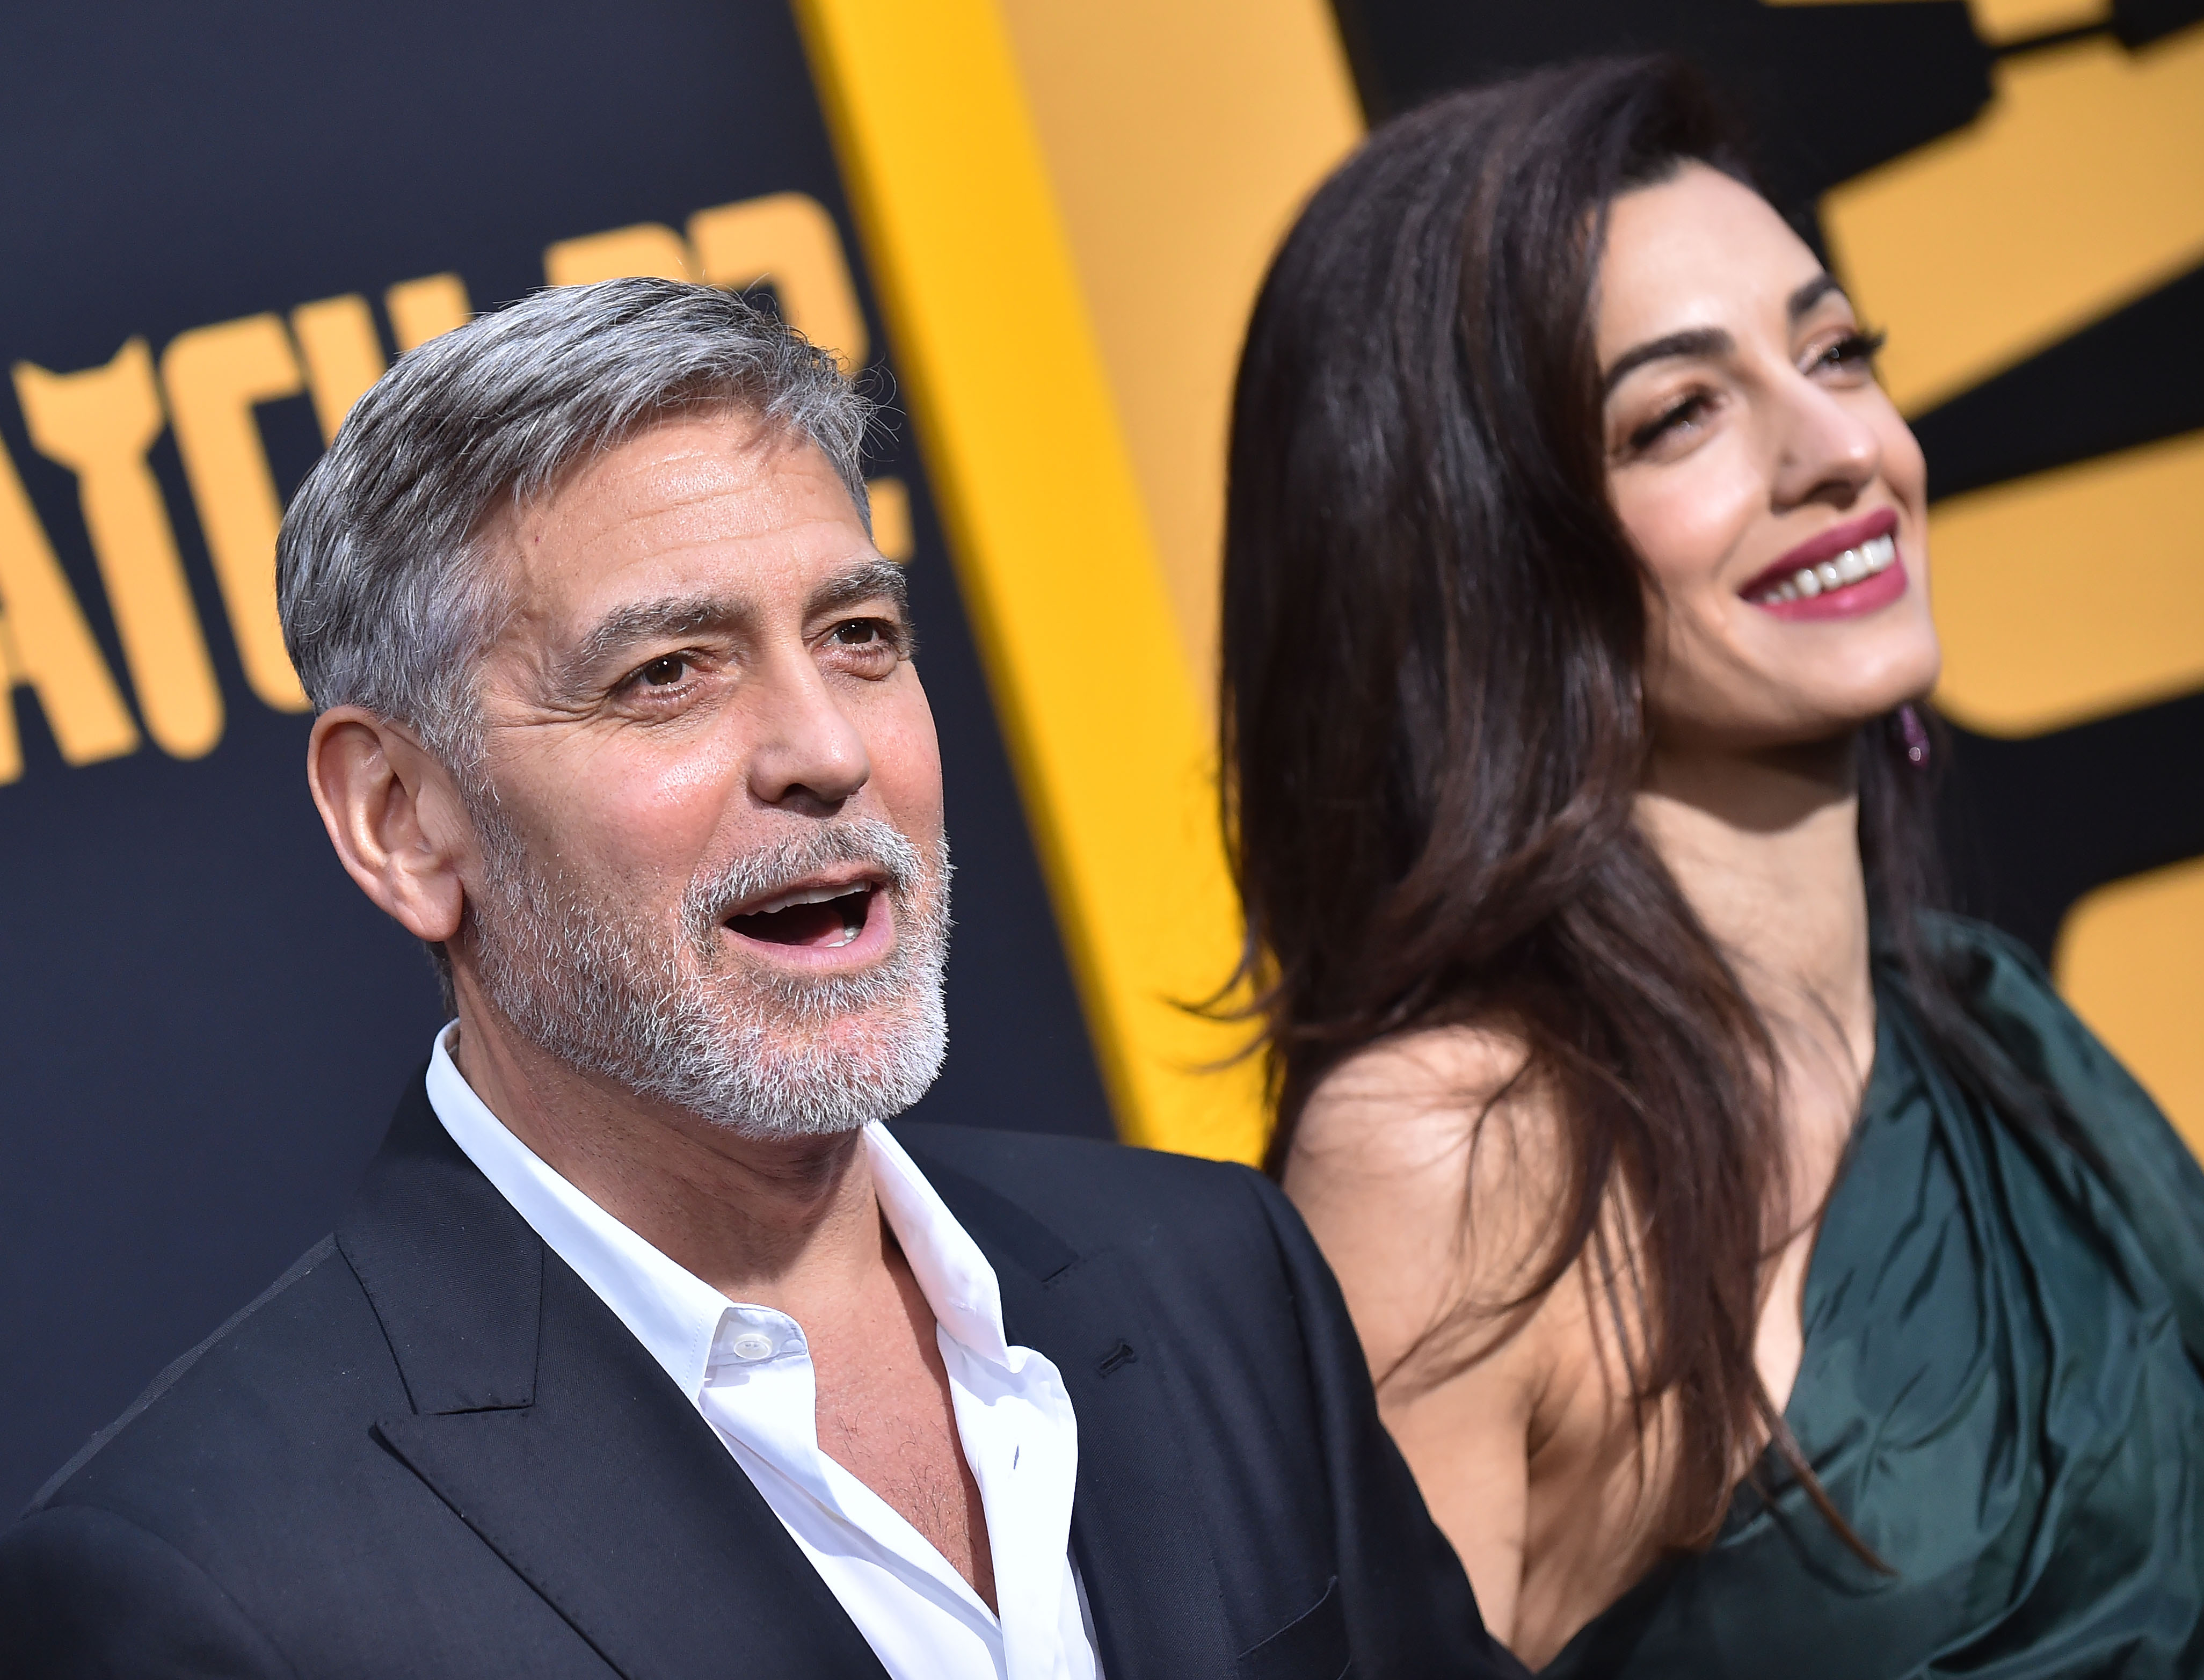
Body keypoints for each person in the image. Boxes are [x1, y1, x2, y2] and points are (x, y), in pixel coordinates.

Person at [0, 280, 1516, 1680]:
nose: (826, 749)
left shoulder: (1218, 1278)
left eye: (860, 636)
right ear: (404, 817)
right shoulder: (211, 1586)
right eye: (669, 672)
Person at [1218, 56, 2204, 1677]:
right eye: (1679, 413)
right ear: (1483, 551)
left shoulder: (1992, 1030)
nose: (1838, 447)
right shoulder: (1461, 1162)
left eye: (1837, 351)